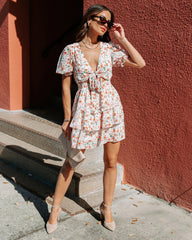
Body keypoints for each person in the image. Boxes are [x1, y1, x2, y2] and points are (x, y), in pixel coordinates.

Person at [46, 4, 145, 234]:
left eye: (108, 23)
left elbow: (140, 63)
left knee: (111, 161)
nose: (105, 25)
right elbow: (65, 86)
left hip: (110, 108)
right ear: (88, 20)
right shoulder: (70, 50)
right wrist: (67, 118)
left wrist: (122, 39)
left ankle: (106, 207)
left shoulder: (109, 50)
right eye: (101, 19)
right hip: (84, 110)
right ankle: (56, 209)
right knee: (71, 161)